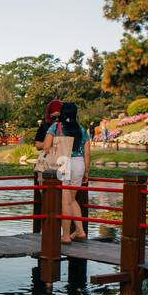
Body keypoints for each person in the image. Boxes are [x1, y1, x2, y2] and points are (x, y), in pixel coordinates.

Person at [40, 102, 89, 243]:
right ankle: (80, 231)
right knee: (72, 200)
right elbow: (87, 153)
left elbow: (46, 147)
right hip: (79, 163)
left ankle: (66, 236)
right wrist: (86, 171)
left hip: (63, 162)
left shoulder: (56, 127)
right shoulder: (82, 129)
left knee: (65, 203)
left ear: (62, 113)